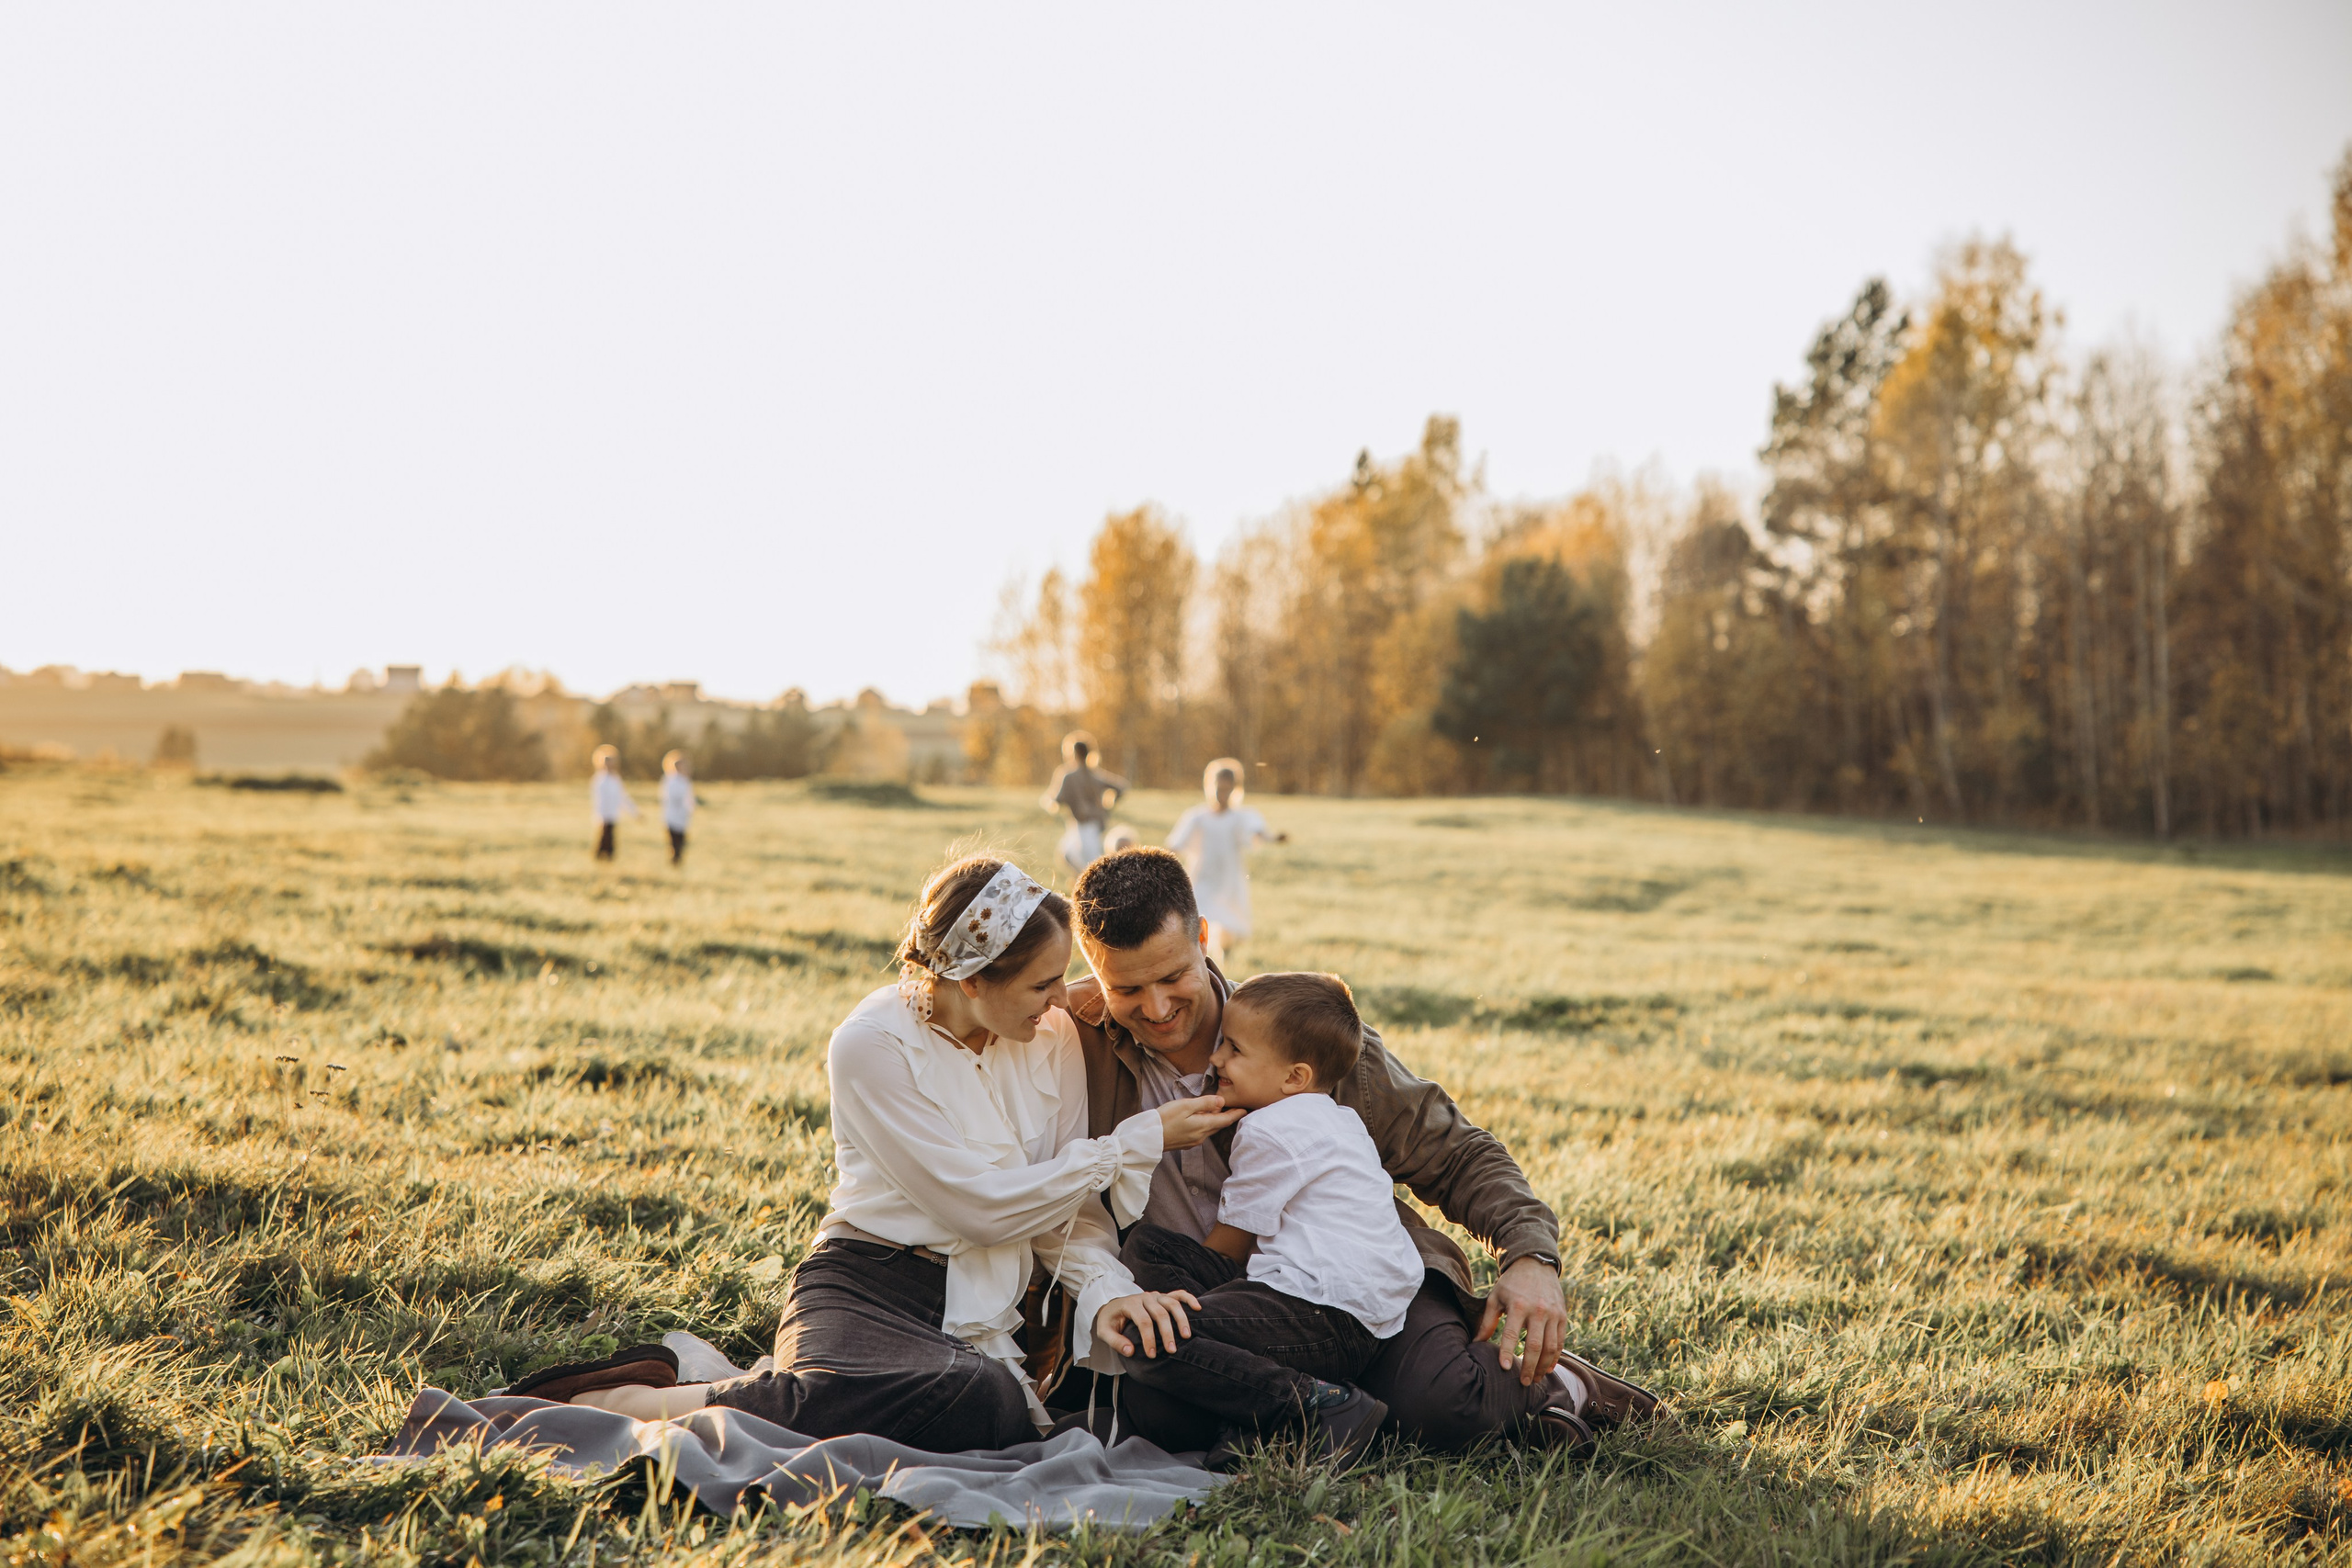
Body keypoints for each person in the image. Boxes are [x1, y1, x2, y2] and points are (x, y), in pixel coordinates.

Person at [501, 853, 1241, 1453]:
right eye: (1043, 983)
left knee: (981, 1402)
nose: (1062, 1001)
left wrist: (1109, 1290)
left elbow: (1061, 1206)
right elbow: (980, 1209)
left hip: (994, 1299)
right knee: (954, 1394)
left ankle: (781, 1384)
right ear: (973, 980)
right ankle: (639, 1397)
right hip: (869, 1279)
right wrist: (1135, 1143)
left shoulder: (1048, 1038)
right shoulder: (871, 1044)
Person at [1062, 849, 1660, 1458]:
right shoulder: (1071, 1045)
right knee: (1159, 1406)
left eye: (1173, 977)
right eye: (1127, 988)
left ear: (1206, 938)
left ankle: (1554, 1384)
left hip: (1350, 1285)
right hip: (1218, 1297)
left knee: (1438, 1408)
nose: (1157, 1008)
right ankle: (1327, 1404)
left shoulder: (1300, 1036)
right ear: (1092, 975)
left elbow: (1455, 1152)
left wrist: (1530, 1251)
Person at [1114, 972, 1424, 1469]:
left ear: (1293, 1077)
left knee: (1148, 1338)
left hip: (1320, 1310)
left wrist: (1196, 1321)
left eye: (1233, 1050)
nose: (1216, 1060)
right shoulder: (1338, 1117)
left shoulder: (1270, 1129)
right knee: (1153, 1246)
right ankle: (1250, 1425)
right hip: (1365, 1314)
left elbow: (1227, 1251)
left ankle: (1321, 1405)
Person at [1164, 759, 1284, 965]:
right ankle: (1197, 960)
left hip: (1229, 878)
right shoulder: (1197, 817)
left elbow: (1258, 831)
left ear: (1236, 790)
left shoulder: (1240, 816)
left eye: (1228, 789)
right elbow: (1176, 844)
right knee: (1199, 916)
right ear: (1209, 786)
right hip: (1203, 876)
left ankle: (1224, 956)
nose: (1222, 794)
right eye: (1219, 788)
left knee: (1229, 920)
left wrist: (1273, 838)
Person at [1042, 731, 1126, 874]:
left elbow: (1057, 800)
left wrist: (1047, 801)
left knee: (1094, 865)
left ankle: (1095, 886)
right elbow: (1121, 787)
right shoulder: (1095, 774)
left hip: (1085, 826)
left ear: (1072, 753)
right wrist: (1107, 806)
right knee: (1067, 853)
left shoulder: (1068, 775)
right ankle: (1081, 880)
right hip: (1088, 824)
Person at [590, 745, 639, 861]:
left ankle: (608, 858)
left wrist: (634, 812)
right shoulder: (598, 779)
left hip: (613, 814)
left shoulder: (616, 779)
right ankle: (600, 857)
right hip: (603, 815)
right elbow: (597, 799)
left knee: (610, 837)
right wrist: (599, 815)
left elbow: (623, 798)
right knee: (604, 837)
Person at [660, 750, 697, 866]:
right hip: (670, 816)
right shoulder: (668, 780)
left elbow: (690, 798)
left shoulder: (685, 782)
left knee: (681, 841)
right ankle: (673, 861)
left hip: (682, 817)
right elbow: (665, 797)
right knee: (673, 841)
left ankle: (678, 861)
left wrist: (691, 809)